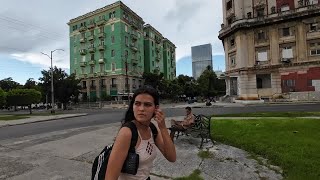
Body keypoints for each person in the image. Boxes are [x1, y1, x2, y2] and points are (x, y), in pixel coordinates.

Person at [106, 86, 176, 180]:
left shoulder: (152, 129)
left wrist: (163, 128)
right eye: (137, 104)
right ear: (133, 106)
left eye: (147, 105)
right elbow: (110, 177)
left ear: (156, 108)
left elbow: (172, 157)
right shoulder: (127, 132)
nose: (141, 109)